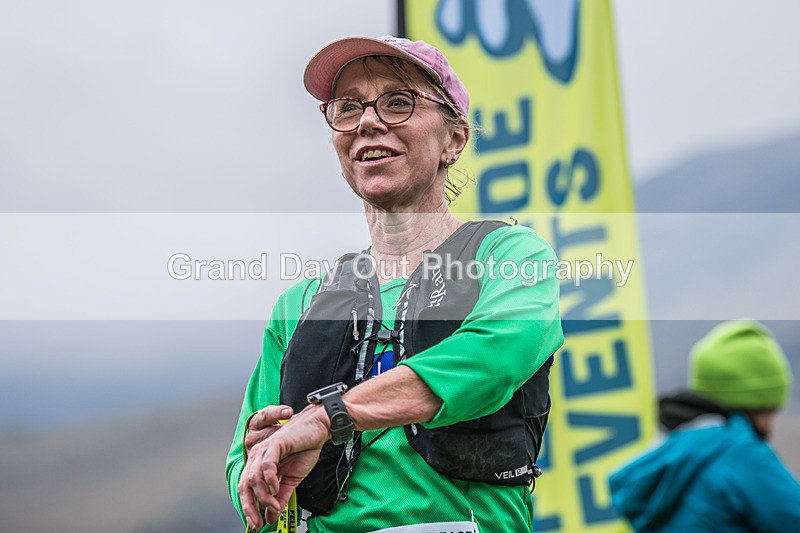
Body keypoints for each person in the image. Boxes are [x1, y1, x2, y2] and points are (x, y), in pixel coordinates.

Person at [225, 35, 563, 533]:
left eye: (398, 102)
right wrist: (260, 466)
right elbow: (242, 471)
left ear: (454, 139)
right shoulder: (298, 304)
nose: (367, 122)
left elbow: (494, 357)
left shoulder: (509, 257)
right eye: (348, 107)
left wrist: (325, 417)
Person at [609, 320, 800, 532]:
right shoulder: (738, 453)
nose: (770, 430)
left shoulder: (664, 457)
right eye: (766, 413)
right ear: (748, 406)